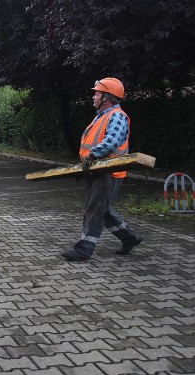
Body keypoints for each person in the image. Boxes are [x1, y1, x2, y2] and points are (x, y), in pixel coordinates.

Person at [62, 77, 144, 261]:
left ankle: (84, 249)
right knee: (102, 210)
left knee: (94, 209)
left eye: (97, 93)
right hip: (97, 171)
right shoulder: (102, 116)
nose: (94, 96)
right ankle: (130, 237)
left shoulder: (116, 116)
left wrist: (91, 155)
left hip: (108, 172)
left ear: (106, 97)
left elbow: (111, 142)